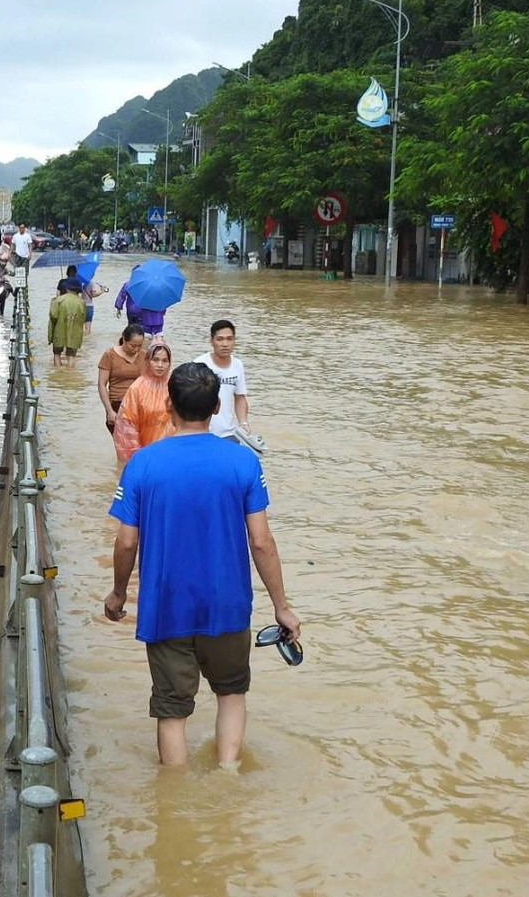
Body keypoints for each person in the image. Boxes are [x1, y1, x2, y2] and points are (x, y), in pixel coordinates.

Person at [104, 362, 300, 768]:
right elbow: (261, 542)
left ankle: (174, 792)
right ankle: (228, 772)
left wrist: (118, 593)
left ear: (168, 405)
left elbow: (126, 542)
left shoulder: (142, 464)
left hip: (166, 605)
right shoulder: (243, 462)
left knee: (171, 709)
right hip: (227, 603)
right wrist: (281, 606)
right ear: (215, 408)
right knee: (231, 693)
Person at [113, 342, 176, 463]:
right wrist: (137, 458)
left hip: (170, 454)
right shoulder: (137, 388)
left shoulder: (174, 386)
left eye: (165, 361)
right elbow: (127, 427)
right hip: (145, 452)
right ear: (147, 361)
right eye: (155, 360)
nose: (160, 365)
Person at [195, 319, 249, 442]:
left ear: (234, 341)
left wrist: (244, 423)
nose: (225, 344)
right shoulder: (199, 364)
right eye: (220, 339)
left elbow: (240, 397)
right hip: (203, 432)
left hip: (230, 433)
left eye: (229, 339)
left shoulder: (237, 365)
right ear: (211, 341)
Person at [97, 324, 147, 433]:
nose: (136, 349)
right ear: (124, 339)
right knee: (123, 441)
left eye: (139, 346)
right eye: (133, 346)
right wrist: (109, 410)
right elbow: (101, 384)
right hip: (117, 404)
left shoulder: (145, 356)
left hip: (140, 405)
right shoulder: (110, 355)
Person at [47, 279, 87, 367]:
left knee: (57, 354)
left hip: (59, 331)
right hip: (75, 333)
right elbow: (83, 319)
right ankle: (70, 373)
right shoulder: (81, 302)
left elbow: (53, 316)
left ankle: (58, 372)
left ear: (67, 288)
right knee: (71, 355)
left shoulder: (58, 300)